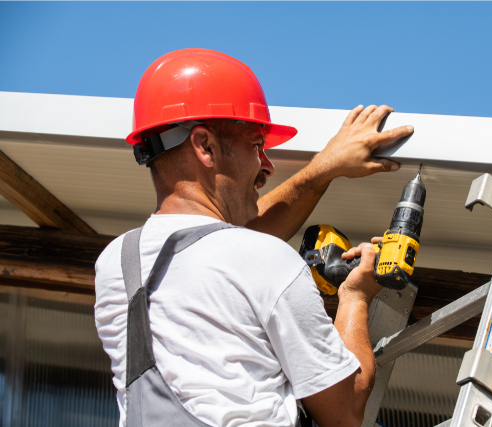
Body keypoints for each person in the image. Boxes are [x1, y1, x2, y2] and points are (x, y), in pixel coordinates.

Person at [94, 49, 414, 427]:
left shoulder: (117, 262)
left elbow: (216, 244)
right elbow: (345, 411)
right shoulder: (263, 260)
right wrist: (356, 298)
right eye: (256, 144)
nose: (267, 165)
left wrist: (322, 170)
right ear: (204, 145)